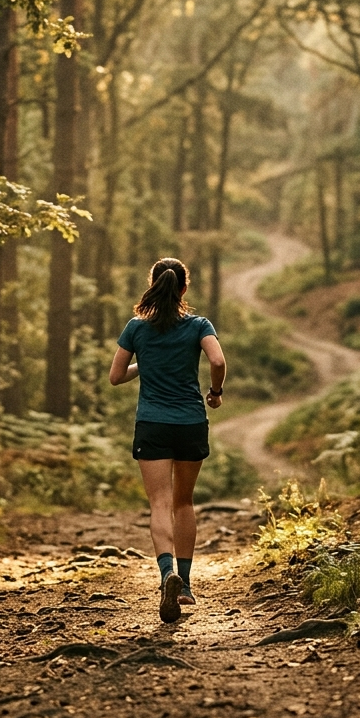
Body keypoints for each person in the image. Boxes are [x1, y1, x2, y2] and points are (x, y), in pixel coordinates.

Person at [109, 258, 226, 624]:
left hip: (153, 424)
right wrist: (215, 391)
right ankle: (187, 585)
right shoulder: (199, 325)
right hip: (191, 422)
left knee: (159, 503)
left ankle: (165, 576)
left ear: (154, 284)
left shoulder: (136, 328)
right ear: (183, 289)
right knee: (184, 503)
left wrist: (146, 361)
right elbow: (218, 360)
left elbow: (115, 377)